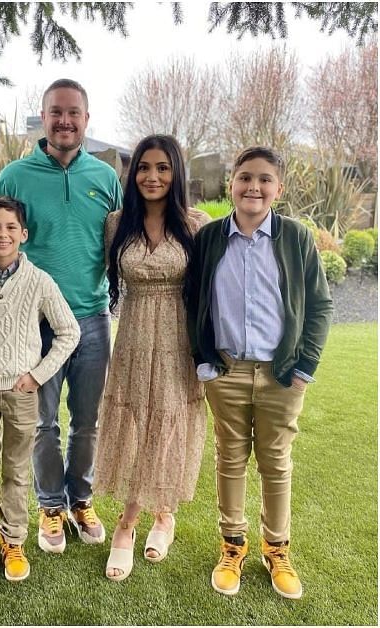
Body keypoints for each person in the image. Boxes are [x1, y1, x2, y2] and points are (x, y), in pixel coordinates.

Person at [0, 78, 121, 553]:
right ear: (43, 117)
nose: (65, 120)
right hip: (32, 325)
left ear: (86, 119)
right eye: (56, 112)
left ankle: (80, 499)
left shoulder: (104, 178)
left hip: (90, 319)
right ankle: (51, 505)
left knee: (87, 421)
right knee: (42, 423)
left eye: (74, 112)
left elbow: (120, 244)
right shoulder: (15, 175)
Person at [186, 146, 332, 600]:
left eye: (264, 179)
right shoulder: (209, 239)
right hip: (226, 371)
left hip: (282, 373)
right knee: (230, 458)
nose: (254, 186)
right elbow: (193, 302)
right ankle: (233, 544)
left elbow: (320, 305)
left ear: (278, 188)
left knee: (275, 463)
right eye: (245, 177)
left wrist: (305, 365)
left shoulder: (295, 238)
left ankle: (276, 548)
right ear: (230, 183)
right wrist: (205, 361)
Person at [94, 135, 212, 581]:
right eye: (144, 167)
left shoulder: (197, 223)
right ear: (133, 172)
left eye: (163, 167)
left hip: (179, 339)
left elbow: (212, 289)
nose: (152, 176)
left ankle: (161, 517)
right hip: (133, 336)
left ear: (176, 172)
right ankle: (128, 523)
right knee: (136, 421)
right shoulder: (116, 223)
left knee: (169, 419)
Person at [0, 196, 79, 582]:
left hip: (21, 393)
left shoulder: (39, 281)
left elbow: (69, 332)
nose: (2, 234)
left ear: (23, 235)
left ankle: (13, 541)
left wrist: (38, 375)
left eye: (11, 227)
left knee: (15, 472)